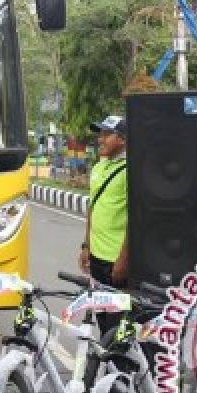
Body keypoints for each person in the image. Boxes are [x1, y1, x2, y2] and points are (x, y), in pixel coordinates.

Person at [78, 115, 129, 293]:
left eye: (107, 135)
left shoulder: (130, 170)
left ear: (122, 139)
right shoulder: (99, 166)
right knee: (100, 313)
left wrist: (123, 260)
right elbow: (93, 208)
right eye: (100, 134)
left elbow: (136, 221)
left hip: (115, 260)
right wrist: (86, 246)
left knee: (116, 318)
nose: (100, 139)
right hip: (95, 256)